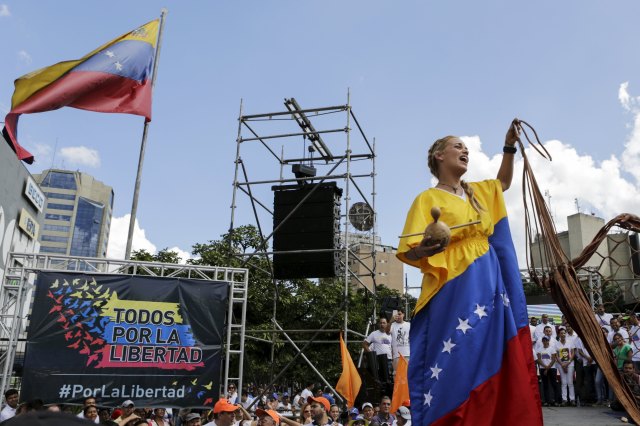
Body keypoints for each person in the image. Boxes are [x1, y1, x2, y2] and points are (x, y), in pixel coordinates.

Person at [396, 122, 542, 425]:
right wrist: (425, 249)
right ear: (439, 155)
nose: (465, 150)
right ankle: (452, 414)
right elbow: (409, 251)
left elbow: (502, 182)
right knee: (461, 352)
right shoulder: (427, 199)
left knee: (492, 350)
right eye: (457, 146)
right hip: (453, 284)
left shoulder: (478, 191)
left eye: (466, 148)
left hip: (489, 277)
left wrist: (508, 146)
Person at [536, 336, 559, 407]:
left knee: (554, 384)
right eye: (544, 340)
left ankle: (556, 401)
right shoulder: (539, 349)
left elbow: (553, 359)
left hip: (552, 368)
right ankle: (546, 401)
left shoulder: (552, 349)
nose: (545, 342)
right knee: (545, 385)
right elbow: (539, 359)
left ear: (548, 341)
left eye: (546, 340)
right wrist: (545, 367)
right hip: (543, 368)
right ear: (542, 341)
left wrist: (547, 368)